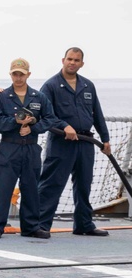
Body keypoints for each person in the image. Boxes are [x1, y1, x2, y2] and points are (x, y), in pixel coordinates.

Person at [37, 47, 112, 236]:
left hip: (86, 142)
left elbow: (98, 114)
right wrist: (64, 126)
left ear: (82, 64)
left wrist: (105, 139)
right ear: (63, 60)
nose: (72, 62)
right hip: (62, 143)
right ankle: (40, 225)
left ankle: (84, 225)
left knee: (84, 183)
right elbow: (44, 115)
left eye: (76, 60)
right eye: (69, 59)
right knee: (52, 183)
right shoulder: (51, 86)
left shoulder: (88, 86)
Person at [0, 59, 55, 239]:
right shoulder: (2, 97)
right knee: (2, 188)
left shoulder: (39, 97)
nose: (18, 77)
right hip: (9, 146)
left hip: (31, 147)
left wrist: (33, 127)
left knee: (31, 188)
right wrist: (15, 122)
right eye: (15, 74)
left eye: (21, 74)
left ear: (28, 75)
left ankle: (31, 227)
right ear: (10, 74)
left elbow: (50, 119)